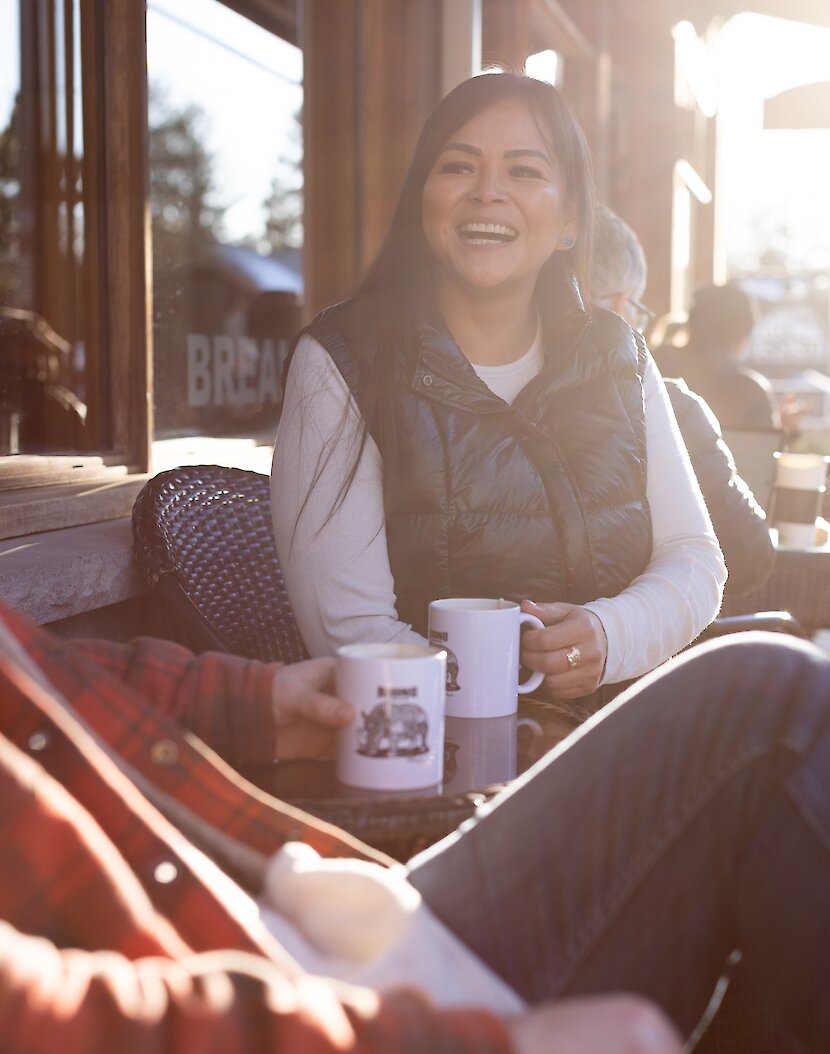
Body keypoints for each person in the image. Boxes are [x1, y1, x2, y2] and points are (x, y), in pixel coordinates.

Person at [3, 597, 830, 1051]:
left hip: (301, 918)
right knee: (782, 722)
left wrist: (251, 700)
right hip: (307, 1008)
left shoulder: (625, 373)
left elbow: (45, 672)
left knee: (769, 696)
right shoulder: (346, 377)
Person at [272, 72, 725, 707]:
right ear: (422, 201)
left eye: (524, 171)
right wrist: (506, 702)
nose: (488, 192)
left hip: (615, 731)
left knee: (781, 682)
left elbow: (695, 559)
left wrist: (606, 635)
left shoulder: (616, 353)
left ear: (570, 219)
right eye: (457, 167)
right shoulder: (341, 362)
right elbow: (350, 633)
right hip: (437, 760)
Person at [587, 205, 775, 597]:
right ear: (621, 307)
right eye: (638, 307)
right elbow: (748, 556)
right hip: (652, 640)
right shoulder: (668, 406)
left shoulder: (466, 397)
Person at [652, 283, 799, 435]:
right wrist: (784, 431)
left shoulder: (654, 365)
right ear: (742, 335)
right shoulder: (749, 391)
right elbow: (760, 455)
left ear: (691, 324)